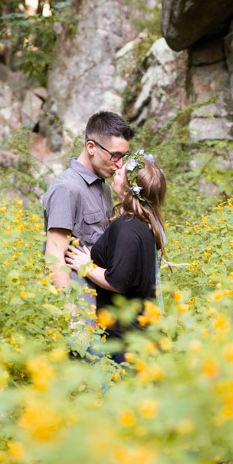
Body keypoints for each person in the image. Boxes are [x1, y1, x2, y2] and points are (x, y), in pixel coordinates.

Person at [65, 149, 166, 362]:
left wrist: (87, 265)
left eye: (120, 174)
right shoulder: (142, 223)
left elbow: (118, 281)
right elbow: (128, 265)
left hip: (128, 340)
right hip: (139, 334)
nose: (117, 169)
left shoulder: (127, 227)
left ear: (129, 190)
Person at [42, 111, 134, 294]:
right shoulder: (67, 188)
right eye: (114, 155)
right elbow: (54, 257)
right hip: (80, 305)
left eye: (123, 156)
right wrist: (70, 311)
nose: (119, 164)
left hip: (102, 301)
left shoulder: (105, 187)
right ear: (91, 147)